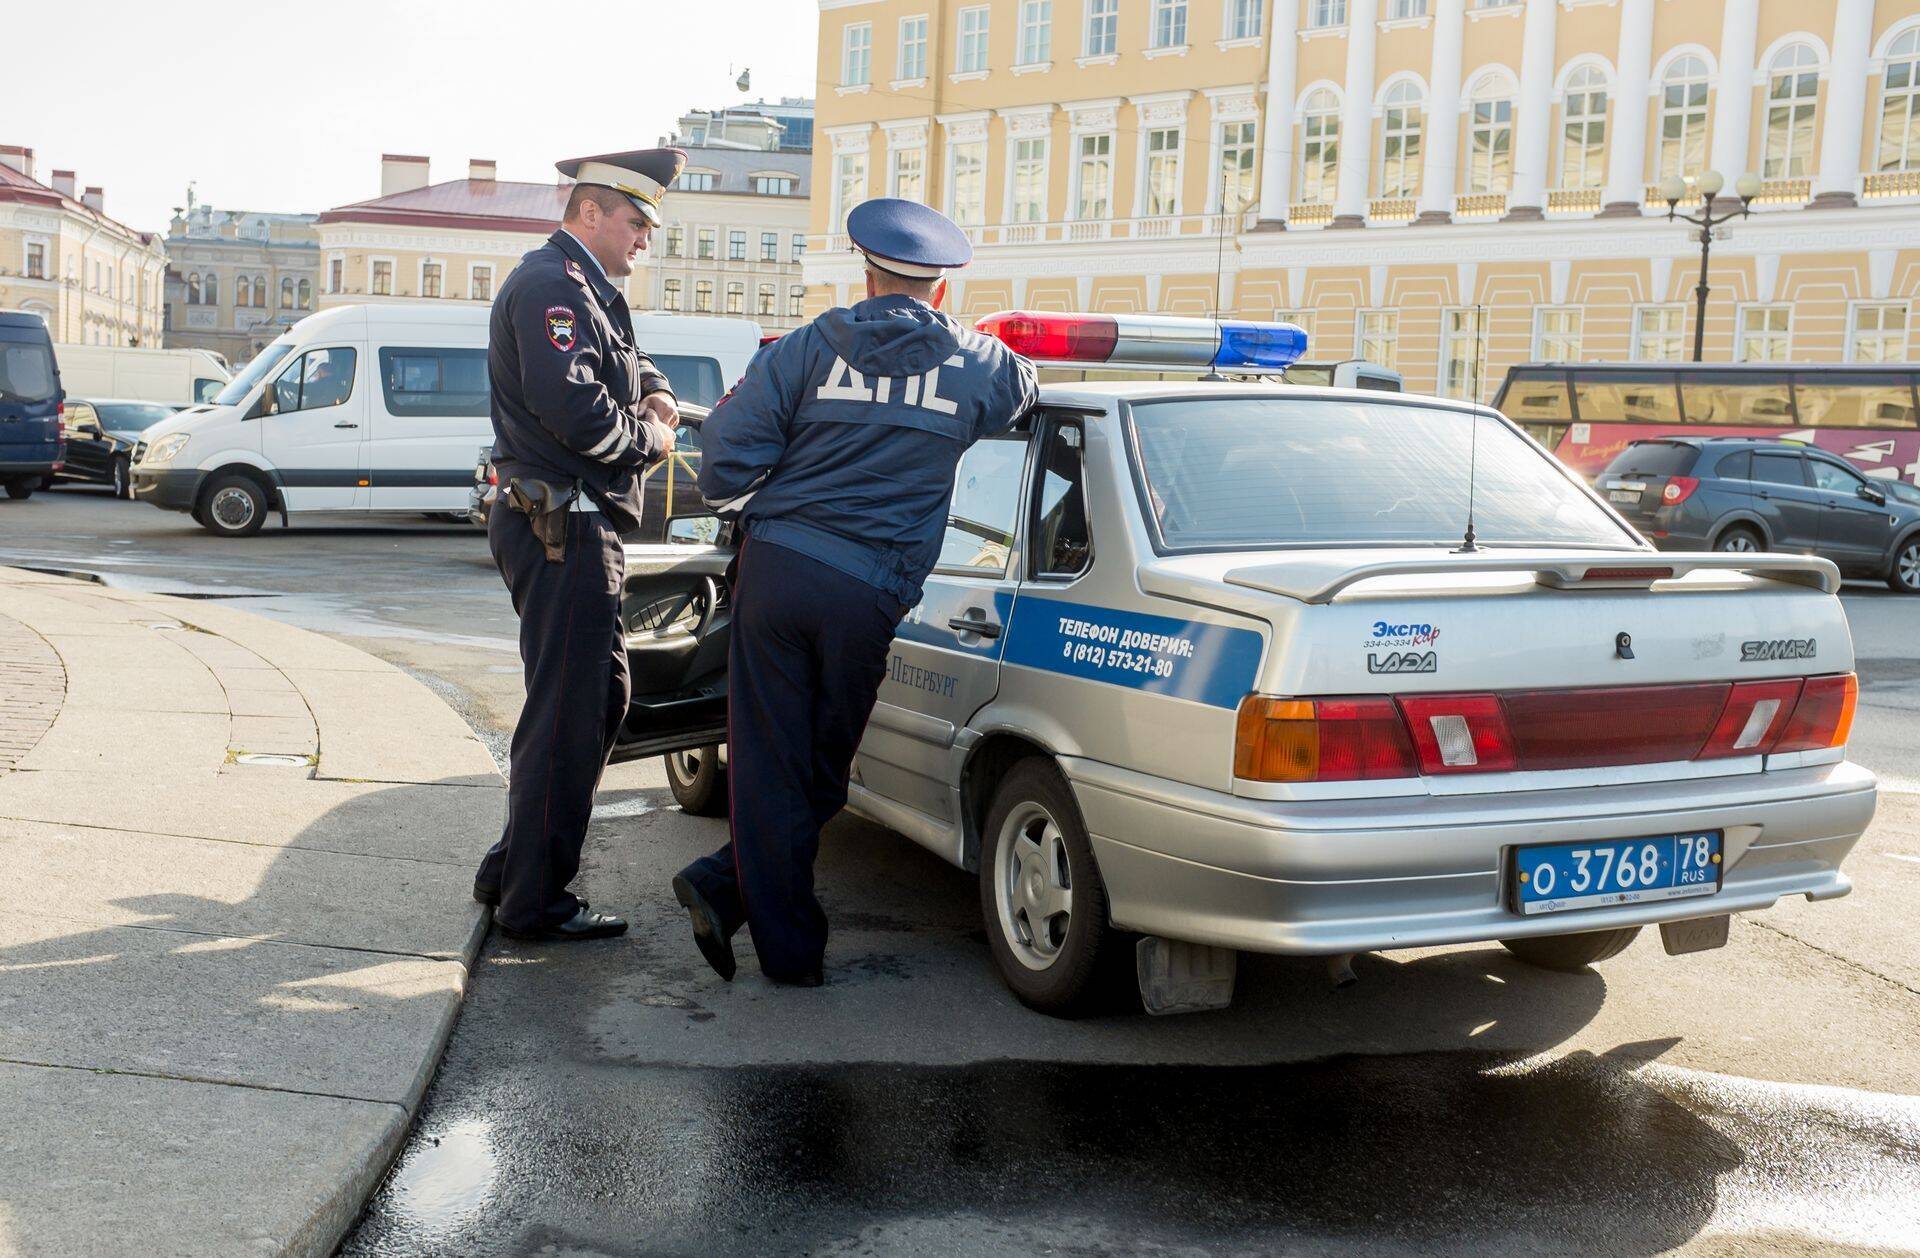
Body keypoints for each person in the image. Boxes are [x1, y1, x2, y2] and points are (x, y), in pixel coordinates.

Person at [672, 198, 1039, 985]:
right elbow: (1023, 392)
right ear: (941, 291)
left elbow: (725, 453)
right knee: (823, 769)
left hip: (776, 575)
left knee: (771, 765)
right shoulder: (976, 364)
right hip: (866, 593)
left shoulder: (806, 348)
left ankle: (736, 895)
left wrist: (760, 507)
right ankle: (780, 942)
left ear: (864, 277)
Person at [473, 148, 686, 941]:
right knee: (566, 716)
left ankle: (513, 869)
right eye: (635, 223)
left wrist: (657, 394)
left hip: (574, 523)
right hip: (561, 526)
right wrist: (654, 440)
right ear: (589, 213)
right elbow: (580, 411)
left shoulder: (587, 291)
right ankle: (534, 902)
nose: (643, 241)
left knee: (599, 700)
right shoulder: (549, 289)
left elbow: (633, 369)